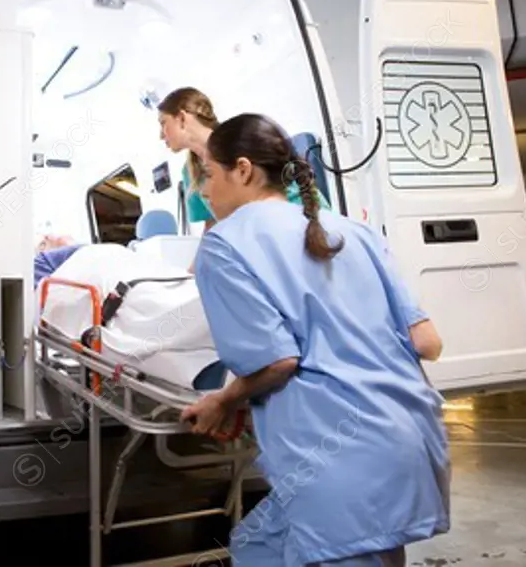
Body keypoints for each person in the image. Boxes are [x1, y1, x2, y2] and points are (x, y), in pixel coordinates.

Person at [180, 113, 449, 566]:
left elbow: (276, 361)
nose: (204, 192)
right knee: (255, 548)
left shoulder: (224, 246)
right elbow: (427, 342)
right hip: (409, 439)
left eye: (208, 175)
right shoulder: (355, 232)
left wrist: (223, 401)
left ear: (242, 170)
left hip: (334, 456)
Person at [156, 87, 329, 234]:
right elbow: (212, 223)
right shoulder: (190, 172)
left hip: (304, 226)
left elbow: (284, 200)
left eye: (163, 123)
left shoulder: (241, 139)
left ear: (181, 118)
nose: (161, 135)